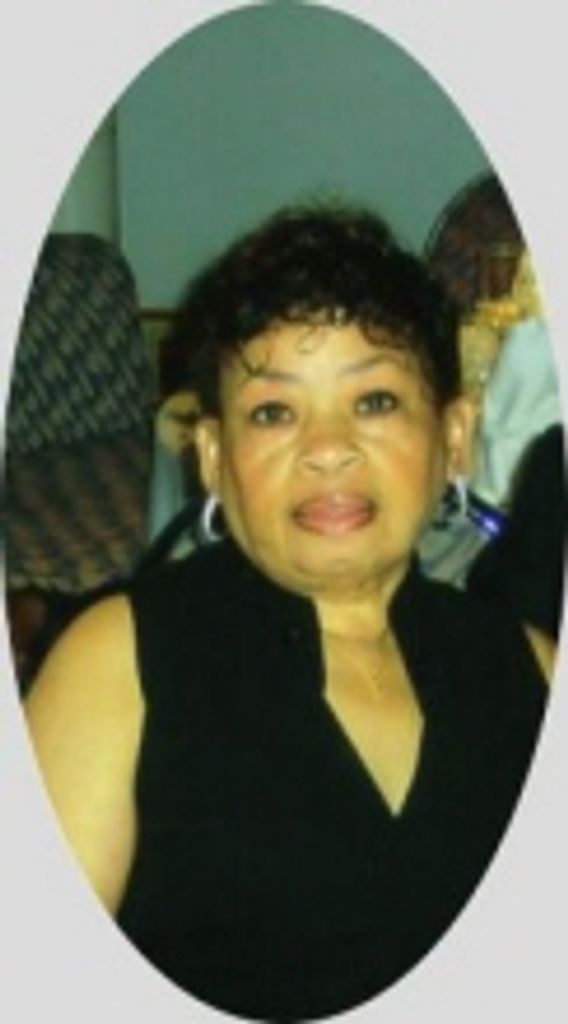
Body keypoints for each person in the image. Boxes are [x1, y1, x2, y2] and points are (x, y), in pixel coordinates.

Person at [25, 205, 555, 1021]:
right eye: (274, 412)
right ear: (212, 456)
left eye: (375, 401)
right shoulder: (119, 660)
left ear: (454, 437)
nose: (327, 448)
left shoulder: (528, 669)